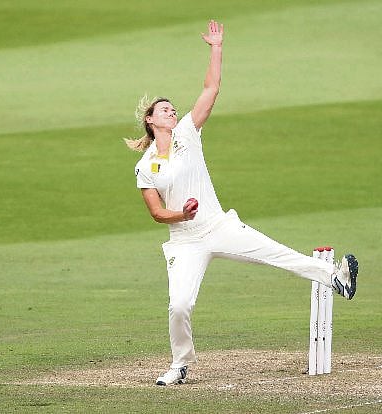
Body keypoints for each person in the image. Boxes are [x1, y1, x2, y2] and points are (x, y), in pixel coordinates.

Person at [125, 20, 359, 386]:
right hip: (185, 241)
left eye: (172, 108)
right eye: (164, 109)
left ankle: (336, 278)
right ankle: (180, 364)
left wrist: (216, 48)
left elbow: (211, 88)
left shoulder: (187, 132)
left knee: (276, 253)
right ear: (150, 120)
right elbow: (156, 213)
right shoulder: (145, 166)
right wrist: (181, 213)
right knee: (179, 305)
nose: (171, 111)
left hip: (218, 226)